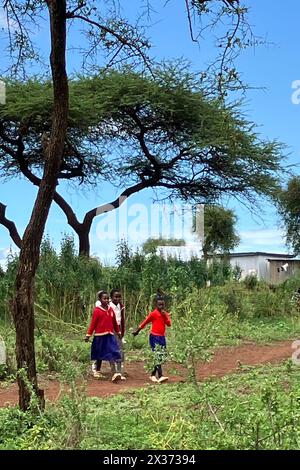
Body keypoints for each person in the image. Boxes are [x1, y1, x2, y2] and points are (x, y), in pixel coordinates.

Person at [132, 294, 171, 383]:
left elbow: (169, 324)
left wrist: (165, 316)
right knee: (157, 354)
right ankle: (160, 375)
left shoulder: (165, 314)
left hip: (162, 337)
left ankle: (153, 374)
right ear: (156, 305)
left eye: (163, 305)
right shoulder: (154, 314)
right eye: (159, 305)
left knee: (161, 356)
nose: (161, 307)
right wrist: (137, 331)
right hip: (154, 337)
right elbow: (145, 322)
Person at [85, 290, 122, 382]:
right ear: (100, 299)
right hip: (100, 336)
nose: (106, 300)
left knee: (113, 352)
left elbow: (114, 323)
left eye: (107, 298)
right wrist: (88, 335)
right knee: (99, 355)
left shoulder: (110, 309)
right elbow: (93, 324)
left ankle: (114, 373)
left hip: (109, 335)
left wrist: (118, 332)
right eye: (104, 298)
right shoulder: (97, 311)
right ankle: (97, 371)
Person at [109, 289, 126, 380]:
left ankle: (119, 372)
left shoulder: (121, 306)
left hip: (118, 330)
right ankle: (113, 372)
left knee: (120, 350)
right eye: (115, 297)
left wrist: (122, 332)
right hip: (110, 330)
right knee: (111, 350)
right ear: (111, 297)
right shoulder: (108, 307)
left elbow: (122, 320)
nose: (118, 299)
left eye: (119, 297)